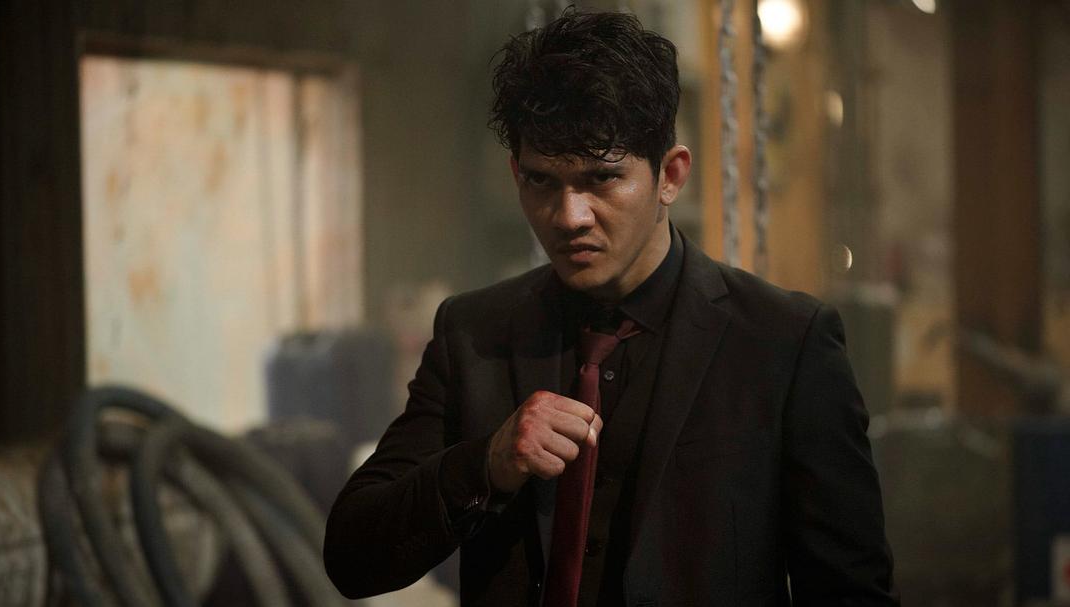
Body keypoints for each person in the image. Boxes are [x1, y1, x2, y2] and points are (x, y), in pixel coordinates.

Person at [324, 10, 898, 606]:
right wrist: (487, 464)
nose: (569, 217)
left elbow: (851, 593)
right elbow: (352, 557)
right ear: (516, 174)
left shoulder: (783, 342)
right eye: (542, 182)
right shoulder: (475, 333)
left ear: (670, 176)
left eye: (601, 179)